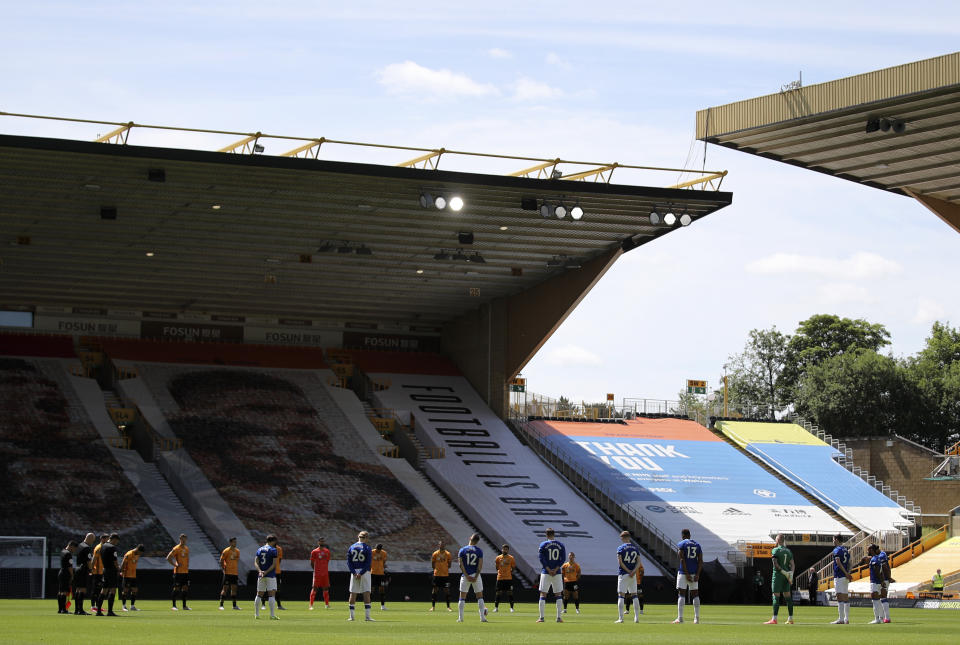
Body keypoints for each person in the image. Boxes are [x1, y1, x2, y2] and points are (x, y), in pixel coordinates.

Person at [536, 527, 566, 623]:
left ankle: (541, 618)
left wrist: (548, 569)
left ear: (546, 534)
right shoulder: (560, 545)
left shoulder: (543, 544)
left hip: (546, 572)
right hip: (557, 573)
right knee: (558, 594)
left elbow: (541, 558)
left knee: (543, 594)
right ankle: (558, 617)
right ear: (554, 534)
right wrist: (556, 569)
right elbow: (563, 558)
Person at [456, 533, 488, 623]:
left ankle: (460, 618)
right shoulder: (479, 551)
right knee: (480, 596)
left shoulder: (462, 550)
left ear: (470, 538)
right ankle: (482, 618)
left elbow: (460, 564)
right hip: (476, 576)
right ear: (477, 541)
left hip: (465, 576)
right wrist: (476, 577)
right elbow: (480, 565)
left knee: (462, 597)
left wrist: (466, 575)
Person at [674, 528, 703, 624]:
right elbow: (700, 561)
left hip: (683, 573)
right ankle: (697, 618)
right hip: (694, 573)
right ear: (690, 535)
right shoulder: (697, 545)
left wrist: (686, 574)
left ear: (683, 536)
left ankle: (680, 618)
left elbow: (682, 559)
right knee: (695, 594)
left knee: (681, 594)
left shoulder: (682, 544)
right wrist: (698, 574)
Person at [765, 533, 795, 624]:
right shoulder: (789, 551)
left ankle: (774, 619)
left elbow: (775, 564)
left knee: (776, 596)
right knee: (788, 597)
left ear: (777, 540)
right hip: (786, 577)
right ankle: (790, 618)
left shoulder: (775, 550)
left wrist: (783, 572)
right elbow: (793, 564)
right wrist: (791, 574)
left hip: (778, 575)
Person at [615, 531, 642, 624]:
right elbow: (639, 562)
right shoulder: (635, 548)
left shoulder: (620, 548)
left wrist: (627, 571)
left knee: (621, 595)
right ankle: (637, 618)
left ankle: (621, 618)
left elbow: (620, 562)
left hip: (623, 574)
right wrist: (633, 571)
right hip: (633, 575)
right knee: (634, 595)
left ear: (623, 537)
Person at [347, 530, 374, 622]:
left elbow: (349, 562)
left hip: (354, 571)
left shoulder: (351, 547)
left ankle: (352, 617)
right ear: (366, 538)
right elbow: (368, 563)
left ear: (358, 537)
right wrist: (361, 573)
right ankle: (367, 617)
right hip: (364, 572)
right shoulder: (367, 547)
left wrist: (354, 572)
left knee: (353, 593)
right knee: (366, 592)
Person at [254, 535, 281, 620]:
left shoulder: (259, 549)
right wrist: (266, 572)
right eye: (275, 541)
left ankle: (256, 615)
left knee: (259, 594)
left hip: (261, 575)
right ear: (272, 541)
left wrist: (260, 571)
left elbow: (255, 562)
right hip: (270, 575)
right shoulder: (273, 550)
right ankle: (272, 615)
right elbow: (274, 564)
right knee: (271, 594)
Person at [830, 534, 852, 624]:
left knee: (839, 596)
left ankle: (841, 619)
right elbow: (850, 562)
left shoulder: (836, 550)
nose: (833, 541)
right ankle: (846, 619)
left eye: (833, 539)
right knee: (845, 597)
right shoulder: (845, 550)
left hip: (839, 576)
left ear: (836, 539)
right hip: (845, 577)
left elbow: (838, 562)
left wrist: (845, 573)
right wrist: (848, 573)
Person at [97, 533, 120, 616]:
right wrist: (118, 568)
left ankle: (98, 611)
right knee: (113, 589)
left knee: (104, 590)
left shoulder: (103, 546)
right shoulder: (112, 547)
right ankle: (110, 611)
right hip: (111, 570)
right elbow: (115, 560)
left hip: (105, 570)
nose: (116, 543)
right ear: (114, 539)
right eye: (116, 541)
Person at [73, 532, 96, 615]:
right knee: (83, 589)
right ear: (89, 538)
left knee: (78, 589)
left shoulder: (79, 545)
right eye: (92, 540)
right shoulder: (86, 547)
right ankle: (81, 610)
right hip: (83, 569)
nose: (92, 542)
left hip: (77, 568)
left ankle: (76, 609)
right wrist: (90, 570)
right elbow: (88, 560)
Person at [166, 533, 191, 611]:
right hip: (178, 572)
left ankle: (184, 606)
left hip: (185, 572)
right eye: (182, 539)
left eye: (185, 539)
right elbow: (168, 558)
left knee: (185, 588)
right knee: (176, 588)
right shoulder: (176, 548)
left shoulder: (187, 548)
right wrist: (175, 565)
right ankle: (174, 606)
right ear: (180, 539)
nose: (183, 540)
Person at [119, 544, 144, 611]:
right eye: (140, 552)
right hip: (127, 575)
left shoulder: (137, 554)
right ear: (138, 550)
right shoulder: (129, 554)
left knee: (135, 590)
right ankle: (124, 606)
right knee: (125, 591)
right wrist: (121, 571)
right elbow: (123, 563)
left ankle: (132, 606)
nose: (140, 554)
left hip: (133, 575)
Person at [219, 537, 241, 610]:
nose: (235, 543)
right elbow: (221, 560)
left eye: (236, 542)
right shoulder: (226, 551)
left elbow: (236, 561)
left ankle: (234, 606)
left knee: (234, 589)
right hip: (228, 573)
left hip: (234, 573)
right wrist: (224, 568)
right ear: (230, 543)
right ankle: (221, 605)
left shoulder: (237, 551)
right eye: (234, 542)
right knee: (225, 589)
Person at [309, 537, 332, 610]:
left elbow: (327, 561)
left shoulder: (327, 551)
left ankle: (327, 605)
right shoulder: (314, 552)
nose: (322, 543)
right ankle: (311, 605)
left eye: (323, 541)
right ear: (318, 542)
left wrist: (323, 569)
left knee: (325, 588)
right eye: (320, 541)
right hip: (317, 574)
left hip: (325, 573)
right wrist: (316, 570)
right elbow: (312, 563)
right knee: (314, 588)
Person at [430, 540, 453, 612]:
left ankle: (448, 607)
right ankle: (433, 607)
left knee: (447, 590)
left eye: (443, 544)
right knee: (435, 590)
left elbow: (449, 565)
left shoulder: (448, 554)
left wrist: (444, 569)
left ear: (444, 545)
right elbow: (433, 564)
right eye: (441, 544)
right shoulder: (435, 554)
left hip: (445, 576)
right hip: (437, 575)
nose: (442, 546)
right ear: (438, 545)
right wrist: (437, 570)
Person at [493, 544, 515, 613]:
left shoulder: (511, 558)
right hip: (500, 578)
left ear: (508, 550)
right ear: (502, 549)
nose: (505, 550)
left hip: (508, 578)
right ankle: (496, 608)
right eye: (503, 549)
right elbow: (496, 567)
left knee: (510, 592)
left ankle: (511, 608)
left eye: (506, 549)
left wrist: (508, 572)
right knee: (498, 593)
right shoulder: (498, 558)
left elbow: (513, 567)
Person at [57, 540, 78, 614]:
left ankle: (60, 609)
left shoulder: (62, 551)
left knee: (60, 591)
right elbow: (70, 566)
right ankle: (64, 609)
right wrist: (72, 575)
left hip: (61, 572)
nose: (74, 550)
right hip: (66, 573)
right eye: (75, 549)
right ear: (71, 546)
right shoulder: (68, 554)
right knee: (65, 592)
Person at [89, 533, 107, 614]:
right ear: (102, 539)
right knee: (95, 589)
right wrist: (91, 569)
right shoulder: (98, 547)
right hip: (96, 572)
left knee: (99, 589)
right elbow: (94, 559)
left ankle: (97, 605)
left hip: (101, 571)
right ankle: (93, 606)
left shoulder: (103, 547)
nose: (108, 540)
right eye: (107, 539)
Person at [371, 543, 388, 610]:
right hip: (373, 573)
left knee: (382, 589)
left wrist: (383, 567)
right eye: (377, 549)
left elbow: (384, 562)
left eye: (379, 549)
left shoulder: (384, 553)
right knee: (371, 589)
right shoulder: (371, 552)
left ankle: (383, 606)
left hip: (381, 574)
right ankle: (369, 605)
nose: (378, 551)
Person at [274, 541, 286, 610]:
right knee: (266, 588)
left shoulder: (279, 549)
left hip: (277, 572)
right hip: (269, 572)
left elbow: (279, 560)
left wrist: (276, 566)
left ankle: (279, 605)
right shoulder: (267, 549)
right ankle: (263, 604)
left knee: (277, 589)